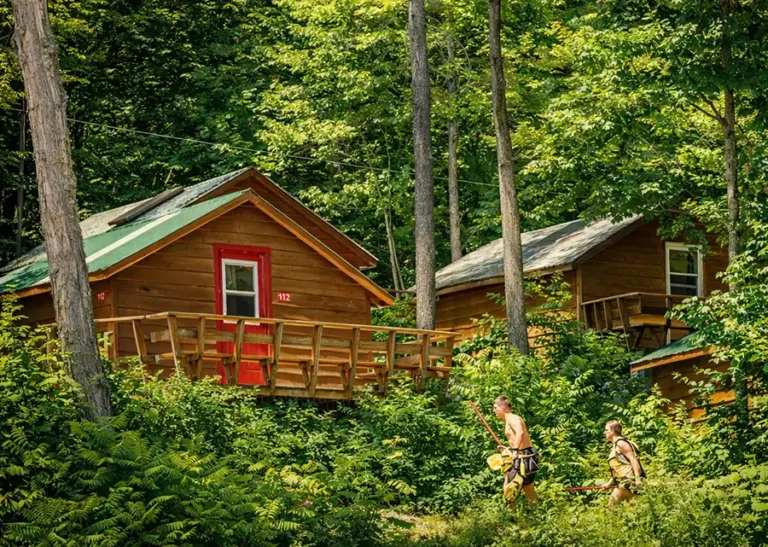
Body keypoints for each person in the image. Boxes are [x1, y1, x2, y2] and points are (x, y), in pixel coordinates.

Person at [492, 395, 539, 505]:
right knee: (528, 488)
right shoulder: (509, 419)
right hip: (524, 454)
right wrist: (508, 449)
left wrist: (515, 450)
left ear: (503, 407)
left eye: (495, 407)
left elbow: (520, 432)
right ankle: (536, 515)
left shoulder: (513, 418)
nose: (494, 411)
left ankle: (511, 518)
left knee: (510, 489)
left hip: (524, 456)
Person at [602, 420, 646, 505]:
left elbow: (633, 459)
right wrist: (609, 484)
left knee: (612, 507)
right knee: (631, 509)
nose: (605, 432)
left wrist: (638, 479)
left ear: (614, 431)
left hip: (628, 481)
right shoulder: (615, 445)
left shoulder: (621, 443)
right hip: (623, 481)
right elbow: (619, 468)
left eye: (606, 430)